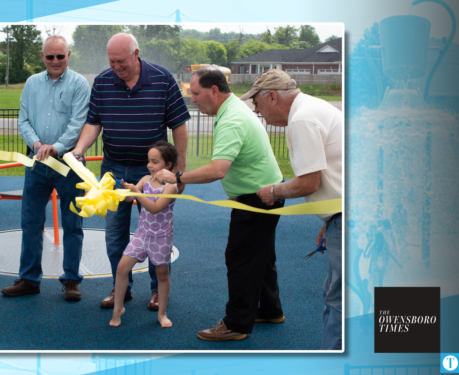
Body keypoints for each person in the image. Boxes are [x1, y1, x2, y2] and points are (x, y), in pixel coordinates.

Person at [154, 67, 284, 341]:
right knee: (262, 256)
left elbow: (217, 169)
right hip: (263, 192)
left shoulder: (231, 119)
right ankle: (270, 309)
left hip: (258, 198)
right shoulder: (233, 109)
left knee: (240, 259)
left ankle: (236, 324)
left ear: (214, 91)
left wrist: (177, 176)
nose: (193, 99)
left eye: (197, 93)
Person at [71, 33, 190, 310]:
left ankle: (158, 290)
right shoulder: (102, 82)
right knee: (114, 234)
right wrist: (79, 150)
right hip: (113, 170)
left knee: (156, 232)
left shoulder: (162, 79)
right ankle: (119, 288)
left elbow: (180, 125)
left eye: (121, 61)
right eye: (111, 61)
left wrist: (179, 170)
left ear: (136, 54)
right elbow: (93, 123)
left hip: (153, 173)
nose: (116, 66)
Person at [244, 69, 343, 350]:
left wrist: (273, 190)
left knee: (340, 299)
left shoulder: (302, 119)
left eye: (257, 102)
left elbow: (310, 182)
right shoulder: (315, 107)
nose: (256, 109)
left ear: (273, 97)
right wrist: (332, 219)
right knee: (338, 292)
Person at [0, 35, 90, 301]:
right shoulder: (32, 83)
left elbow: (78, 123)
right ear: (42, 56)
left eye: (60, 56)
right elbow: (24, 120)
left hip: (68, 165)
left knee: (72, 223)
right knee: (30, 222)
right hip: (37, 163)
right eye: (50, 56)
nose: (55, 61)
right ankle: (29, 279)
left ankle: (72, 280)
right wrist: (38, 143)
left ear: (68, 55)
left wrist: (57, 147)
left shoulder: (79, 83)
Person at [110, 141, 178, 328]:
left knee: (162, 274)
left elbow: (155, 208)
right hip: (142, 234)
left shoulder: (171, 185)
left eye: (155, 162)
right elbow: (130, 198)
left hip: (161, 237)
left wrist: (135, 193)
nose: (150, 165)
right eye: (149, 161)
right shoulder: (145, 179)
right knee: (122, 268)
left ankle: (162, 313)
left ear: (168, 165)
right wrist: (118, 190)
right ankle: (118, 310)